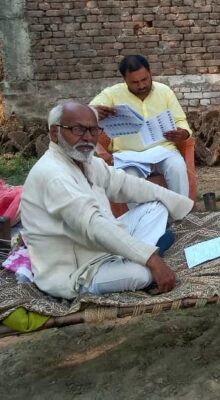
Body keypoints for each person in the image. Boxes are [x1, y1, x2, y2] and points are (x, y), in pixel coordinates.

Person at [20, 103, 193, 299]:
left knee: (155, 205)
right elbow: (94, 225)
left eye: (93, 130)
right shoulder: (53, 174)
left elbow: (125, 184)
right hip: (78, 270)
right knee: (143, 274)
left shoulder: (86, 161)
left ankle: (134, 253)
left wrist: (182, 204)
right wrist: (151, 259)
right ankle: (142, 254)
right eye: (77, 129)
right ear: (54, 132)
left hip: (101, 245)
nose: (87, 137)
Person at [91, 55, 192, 197]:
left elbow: (181, 121)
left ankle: (180, 215)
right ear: (125, 80)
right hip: (128, 155)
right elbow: (89, 109)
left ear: (150, 73)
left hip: (163, 150)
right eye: (135, 82)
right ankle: (140, 219)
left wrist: (183, 133)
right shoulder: (112, 94)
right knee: (128, 179)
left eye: (144, 79)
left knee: (177, 167)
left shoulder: (165, 92)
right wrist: (93, 111)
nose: (141, 85)